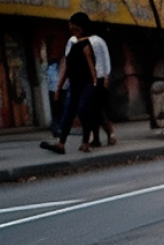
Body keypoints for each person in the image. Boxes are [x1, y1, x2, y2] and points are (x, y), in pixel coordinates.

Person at [40, 12, 97, 154]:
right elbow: (66, 67)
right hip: (74, 85)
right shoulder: (72, 45)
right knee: (68, 112)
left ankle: (86, 142)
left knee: (83, 111)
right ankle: (61, 143)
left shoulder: (87, 45)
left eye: (72, 23)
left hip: (87, 85)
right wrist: (59, 87)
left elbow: (92, 67)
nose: (70, 26)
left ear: (78, 26)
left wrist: (96, 85)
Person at [87, 30, 117, 146]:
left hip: (99, 80)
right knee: (95, 111)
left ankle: (110, 134)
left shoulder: (97, 43)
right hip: (91, 81)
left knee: (103, 109)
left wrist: (105, 76)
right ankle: (97, 138)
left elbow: (104, 60)